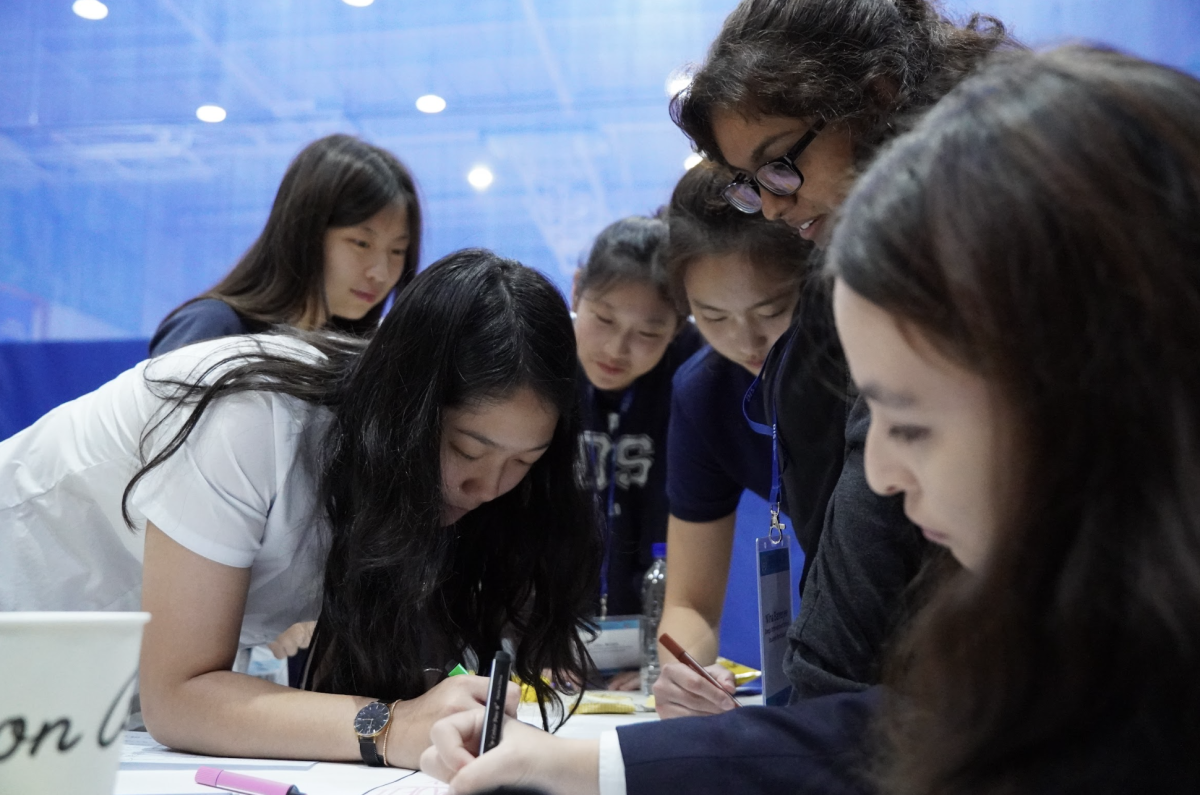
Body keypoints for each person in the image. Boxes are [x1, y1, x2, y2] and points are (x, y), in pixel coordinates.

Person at [419, 45, 1200, 795]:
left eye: (912, 420)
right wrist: (588, 766)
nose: (885, 472)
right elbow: (905, 723)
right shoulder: (1084, 621)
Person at [1, 248, 601, 770]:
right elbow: (180, 695)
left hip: (93, 691)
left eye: (524, 462)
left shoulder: (420, 488)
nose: (488, 486)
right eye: (467, 449)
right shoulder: (250, 417)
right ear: (406, 412)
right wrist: (394, 726)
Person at [654, 0, 1013, 715]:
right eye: (748, 185)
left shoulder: (996, 221)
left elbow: (837, 674)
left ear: (877, 97)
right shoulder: (722, 379)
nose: (777, 207)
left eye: (780, 167)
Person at [650, 161, 813, 701]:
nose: (747, 342)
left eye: (772, 309)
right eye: (712, 317)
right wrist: (683, 673)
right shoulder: (703, 394)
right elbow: (690, 603)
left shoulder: (862, 371)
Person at [572, 216, 703, 687]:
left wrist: (657, 656)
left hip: (647, 647)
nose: (616, 348)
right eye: (603, 319)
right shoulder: (538, 365)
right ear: (575, 292)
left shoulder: (693, 379)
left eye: (648, 333)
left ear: (678, 328)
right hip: (545, 648)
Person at [149, 134, 421, 357]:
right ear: (304, 233)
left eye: (397, 251)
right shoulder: (213, 328)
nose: (381, 273)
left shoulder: (353, 358)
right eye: (361, 243)